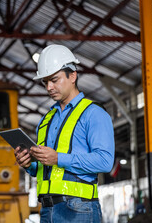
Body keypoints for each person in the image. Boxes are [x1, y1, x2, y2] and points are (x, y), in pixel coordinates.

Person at [14, 44, 115, 222]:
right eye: (45, 82)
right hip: (47, 209)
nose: (49, 87)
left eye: (54, 80)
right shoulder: (46, 120)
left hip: (79, 209)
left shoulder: (94, 114)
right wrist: (29, 164)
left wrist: (58, 158)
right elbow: (47, 168)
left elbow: (105, 161)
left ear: (73, 75)